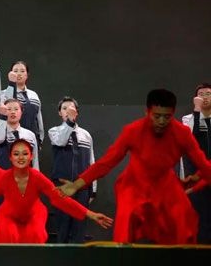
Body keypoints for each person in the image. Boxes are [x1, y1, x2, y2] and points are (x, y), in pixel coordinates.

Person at [57, 89, 211, 244]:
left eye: (167, 117)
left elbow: (203, 164)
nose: (162, 121)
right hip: (134, 185)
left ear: (173, 114)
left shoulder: (183, 133)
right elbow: (107, 162)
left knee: (184, 220)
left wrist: (198, 176)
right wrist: (76, 185)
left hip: (165, 185)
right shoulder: (133, 131)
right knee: (125, 224)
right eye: (157, 116)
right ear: (147, 112)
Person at [0, 139, 112, 243]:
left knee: (35, 233)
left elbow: (59, 198)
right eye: (16, 154)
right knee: (7, 232)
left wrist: (91, 214)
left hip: (33, 214)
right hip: (9, 215)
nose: (20, 157)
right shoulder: (4, 179)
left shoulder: (37, 177)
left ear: (31, 156)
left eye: (25, 153)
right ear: (10, 158)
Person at [48, 96, 96, 243]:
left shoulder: (86, 135)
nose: (68, 111)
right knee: (62, 230)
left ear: (77, 112)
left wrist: (93, 189)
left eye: (71, 109)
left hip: (82, 189)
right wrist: (69, 122)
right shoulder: (54, 131)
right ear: (59, 113)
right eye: (64, 109)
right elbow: (60, 141)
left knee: (79, 231)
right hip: (62, 188)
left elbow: (92, 162)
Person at [181, 83, 211, 243]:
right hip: (196, 171)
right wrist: (197, 111)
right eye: (201, 94)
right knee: (199, 212)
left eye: (208, 94)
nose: (204, 97)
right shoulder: (188, 119)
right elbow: (191, 138)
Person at [0, 61, 44, 146]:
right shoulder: (4, 94)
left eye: (22, 71)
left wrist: (40, 138)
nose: (19, 74)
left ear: (27, 75)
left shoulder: (34, 95)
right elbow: (8, 107)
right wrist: (11, 84)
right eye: (15, 71)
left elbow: (38, 118)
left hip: (32, 140)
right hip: (11, 140)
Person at [0, 98, 40, 170]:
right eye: (9, 109)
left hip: (24, 174)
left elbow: (35, 161)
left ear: (21, 112)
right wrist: (2, 117)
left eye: (16, 109)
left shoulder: (30, 135)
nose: (13, 112)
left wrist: (36, 175)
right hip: (3, 173)